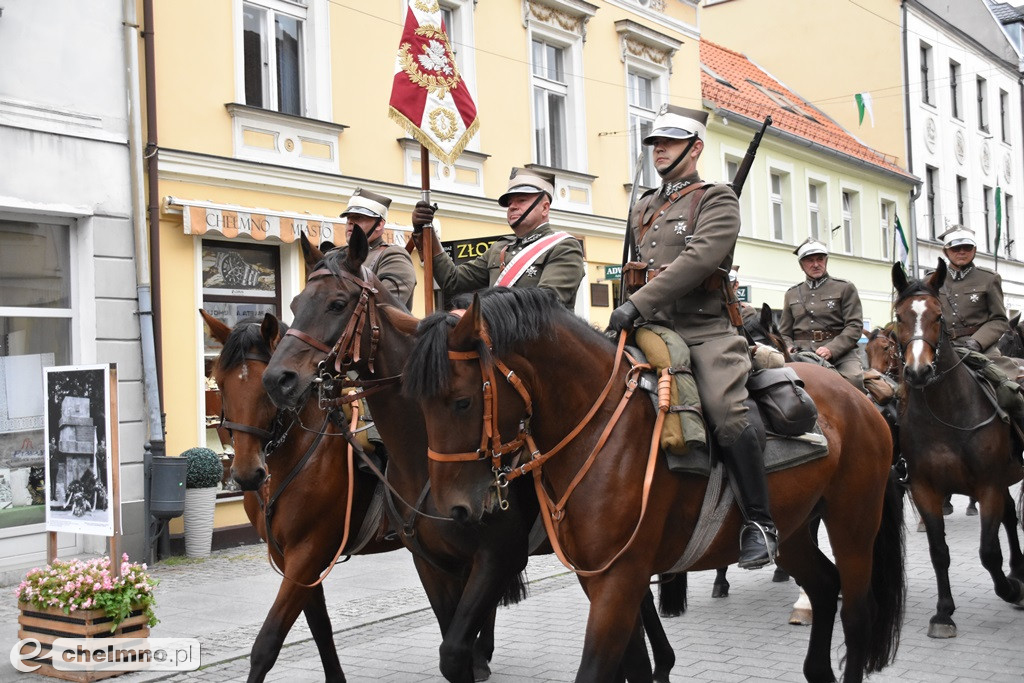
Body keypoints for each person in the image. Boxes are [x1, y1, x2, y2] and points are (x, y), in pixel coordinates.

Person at [606, 104, 777, 570]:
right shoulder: (643, 205)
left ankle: (760, 521)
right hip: (650, 329)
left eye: (669, 142)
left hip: (704, 331)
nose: (658, 150)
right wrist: (625, 311)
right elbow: (634, 269)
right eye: (654, 143)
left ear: (695, 147)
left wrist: (634, 305)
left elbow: (698, 261)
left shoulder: (717, 199)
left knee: (724, 410)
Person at [410, 168, 585, 307]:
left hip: (541, 347)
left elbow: (546, 303)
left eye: (521, 200)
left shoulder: (564, 247)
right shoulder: (500, 248)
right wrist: (426, 230)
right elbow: (452, 281)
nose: (512, 207)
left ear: (545, 208)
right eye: (509, 203)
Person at [779, 239, 866, 393]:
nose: (816, 264)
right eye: (810, 260)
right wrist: (788, 346)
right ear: (801, 265)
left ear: (826, 261)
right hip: (801, 354)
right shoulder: (792, 294)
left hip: (841, 355)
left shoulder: (844, 288)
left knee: (853, 381)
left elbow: (854, 326)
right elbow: (784, 332)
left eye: (820, 259)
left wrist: (832, 349)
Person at [937, 226, 1014, 367]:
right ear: (946, 251)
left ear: (974, 250)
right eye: (955, 248)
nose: (961, 252)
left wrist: (977, 341)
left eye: (967, 247)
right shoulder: (932, 280)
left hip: (981, 350)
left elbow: (999, 319)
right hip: (941, 348)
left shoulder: (989, 278)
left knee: (1006, 384)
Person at [340, 188, 417, 310]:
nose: (350, 222)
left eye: (358, 217)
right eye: (348, 217)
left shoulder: (393, 256)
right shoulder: (335, 255)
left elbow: (384, 307)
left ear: (379, 224)